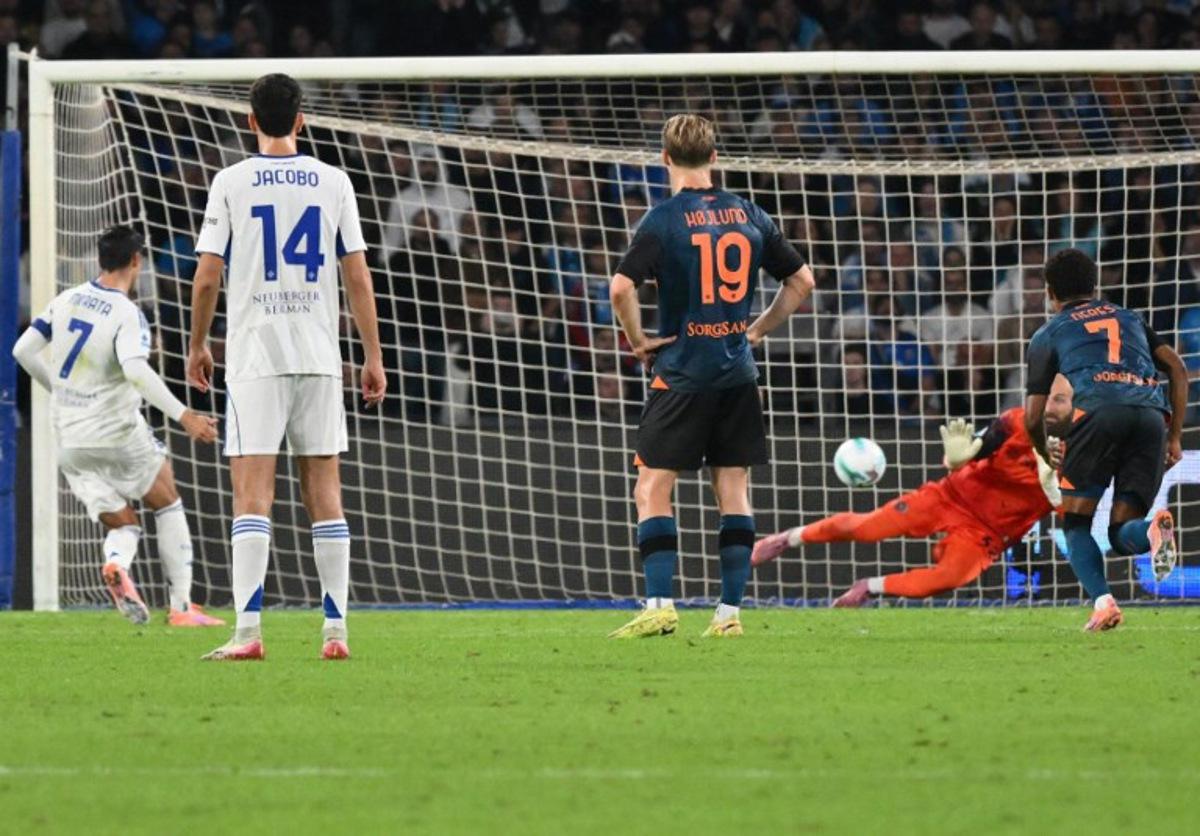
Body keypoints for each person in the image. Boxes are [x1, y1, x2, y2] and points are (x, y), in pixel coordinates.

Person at [188, 74, 386, 661]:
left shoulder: (230, 181)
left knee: (252, 497)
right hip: (320, 355)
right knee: (325, 494)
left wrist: (198, 343)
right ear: (302, 119)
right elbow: (357, 275)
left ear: (251, 120)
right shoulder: (334, 181)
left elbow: (206, 275)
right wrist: (371, 354)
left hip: (256, 357)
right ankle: (335, 632)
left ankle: (248, 633)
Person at [607, 113, 815, 639]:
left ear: (665, 158)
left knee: (652, 487)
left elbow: (619, 289)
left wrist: (636, 342)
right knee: (734, 488)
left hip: (681, 372)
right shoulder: (750, 214)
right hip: (737, 373)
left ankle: (659, 604)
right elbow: (802, 281)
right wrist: (758, 330)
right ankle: (728, 615)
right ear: (715, 158)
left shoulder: (663, 219)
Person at [12, 226, 223, 626]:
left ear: (99, 260)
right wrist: (185, 415)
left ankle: (116, 564)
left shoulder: (66, 298)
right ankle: (181, 607)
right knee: (167, 498)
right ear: (136, 262)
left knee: (123, 523)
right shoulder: (128, 313)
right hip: (116, 432)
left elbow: (22, 350)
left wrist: (58, 388)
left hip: (70, 438)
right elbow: (136, 372)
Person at [753, 376, 1071, 604]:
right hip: (949, 497)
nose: (1049, 407)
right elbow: (964, 453)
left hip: (986, 532)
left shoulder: (1082, 452)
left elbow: (1071, 508)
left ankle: (870, 587)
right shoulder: (1016, 421)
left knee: (949, 578)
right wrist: (957, 458)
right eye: (1047, 398)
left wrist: (1055, 488)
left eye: (1060, 400)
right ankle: (787, 538)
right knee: (867, 528)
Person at [1024, 248, 1188, 631]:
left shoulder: (1048, 334)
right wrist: (1175, 436)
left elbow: (1033, 415)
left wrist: (1044, 454)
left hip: (1096, 413)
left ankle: (1104, 603)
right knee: (1119, 532)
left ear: (1050, 292)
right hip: (1150, 416)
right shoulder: (1130, 318)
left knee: (1076, 524)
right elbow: (1177, 368)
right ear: (1094, 285)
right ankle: (1150, 532)